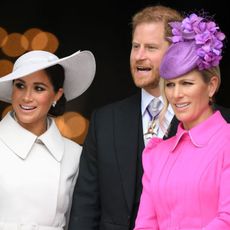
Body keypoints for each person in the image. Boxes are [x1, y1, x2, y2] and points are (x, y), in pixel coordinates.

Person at [68, 5, 230, 230]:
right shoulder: (106, 122)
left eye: (151, 47)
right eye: (135, 46)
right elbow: (86, 206)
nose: (139, 56)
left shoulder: (224, 131)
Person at [134, 12, 230, 229]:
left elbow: (227, 219)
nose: (176, 94)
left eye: (186, 83)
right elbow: (145, 224)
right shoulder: (157, 154)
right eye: (170, 84)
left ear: (211, 86)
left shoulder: (227, 143)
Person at [0, 49, 96, 230]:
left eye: (38, 88)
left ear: (57, 95)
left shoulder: (74, 154)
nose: (26, 97)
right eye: (20, 85)